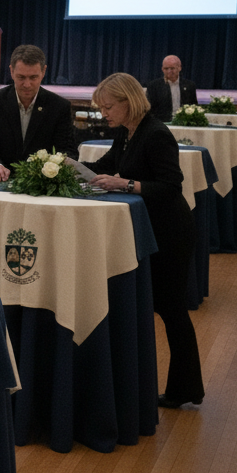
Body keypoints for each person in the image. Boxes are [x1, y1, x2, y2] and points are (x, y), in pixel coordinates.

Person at [84, 72, 204, 409]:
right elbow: (105, 166)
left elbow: (170, 186)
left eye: (108, 107)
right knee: (162, 309)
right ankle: (178, 388)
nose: (104, 113)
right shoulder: (127, 132)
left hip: (170, 232)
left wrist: (124, 185)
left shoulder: (155, 133)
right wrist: (69, 167)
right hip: (149, 230)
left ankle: (186, 389)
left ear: (128, 101)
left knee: (172, 310)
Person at [0, 44, 77, 182]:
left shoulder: (59, 106)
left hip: (42, 185)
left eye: (33, 77)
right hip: (0, 181)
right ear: (11, 71)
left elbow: (67, 150)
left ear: (44, 71)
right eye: (21, 77)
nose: (27, 84)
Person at [144, 55, 198, 122]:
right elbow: (148, 109)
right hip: (161, 124)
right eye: (166, 68)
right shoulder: (153, 86)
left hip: (184, 123)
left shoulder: (190, 85)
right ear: (162, 69)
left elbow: (194, 106)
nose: (169, 71)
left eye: (172, 68)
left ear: (179, 68)